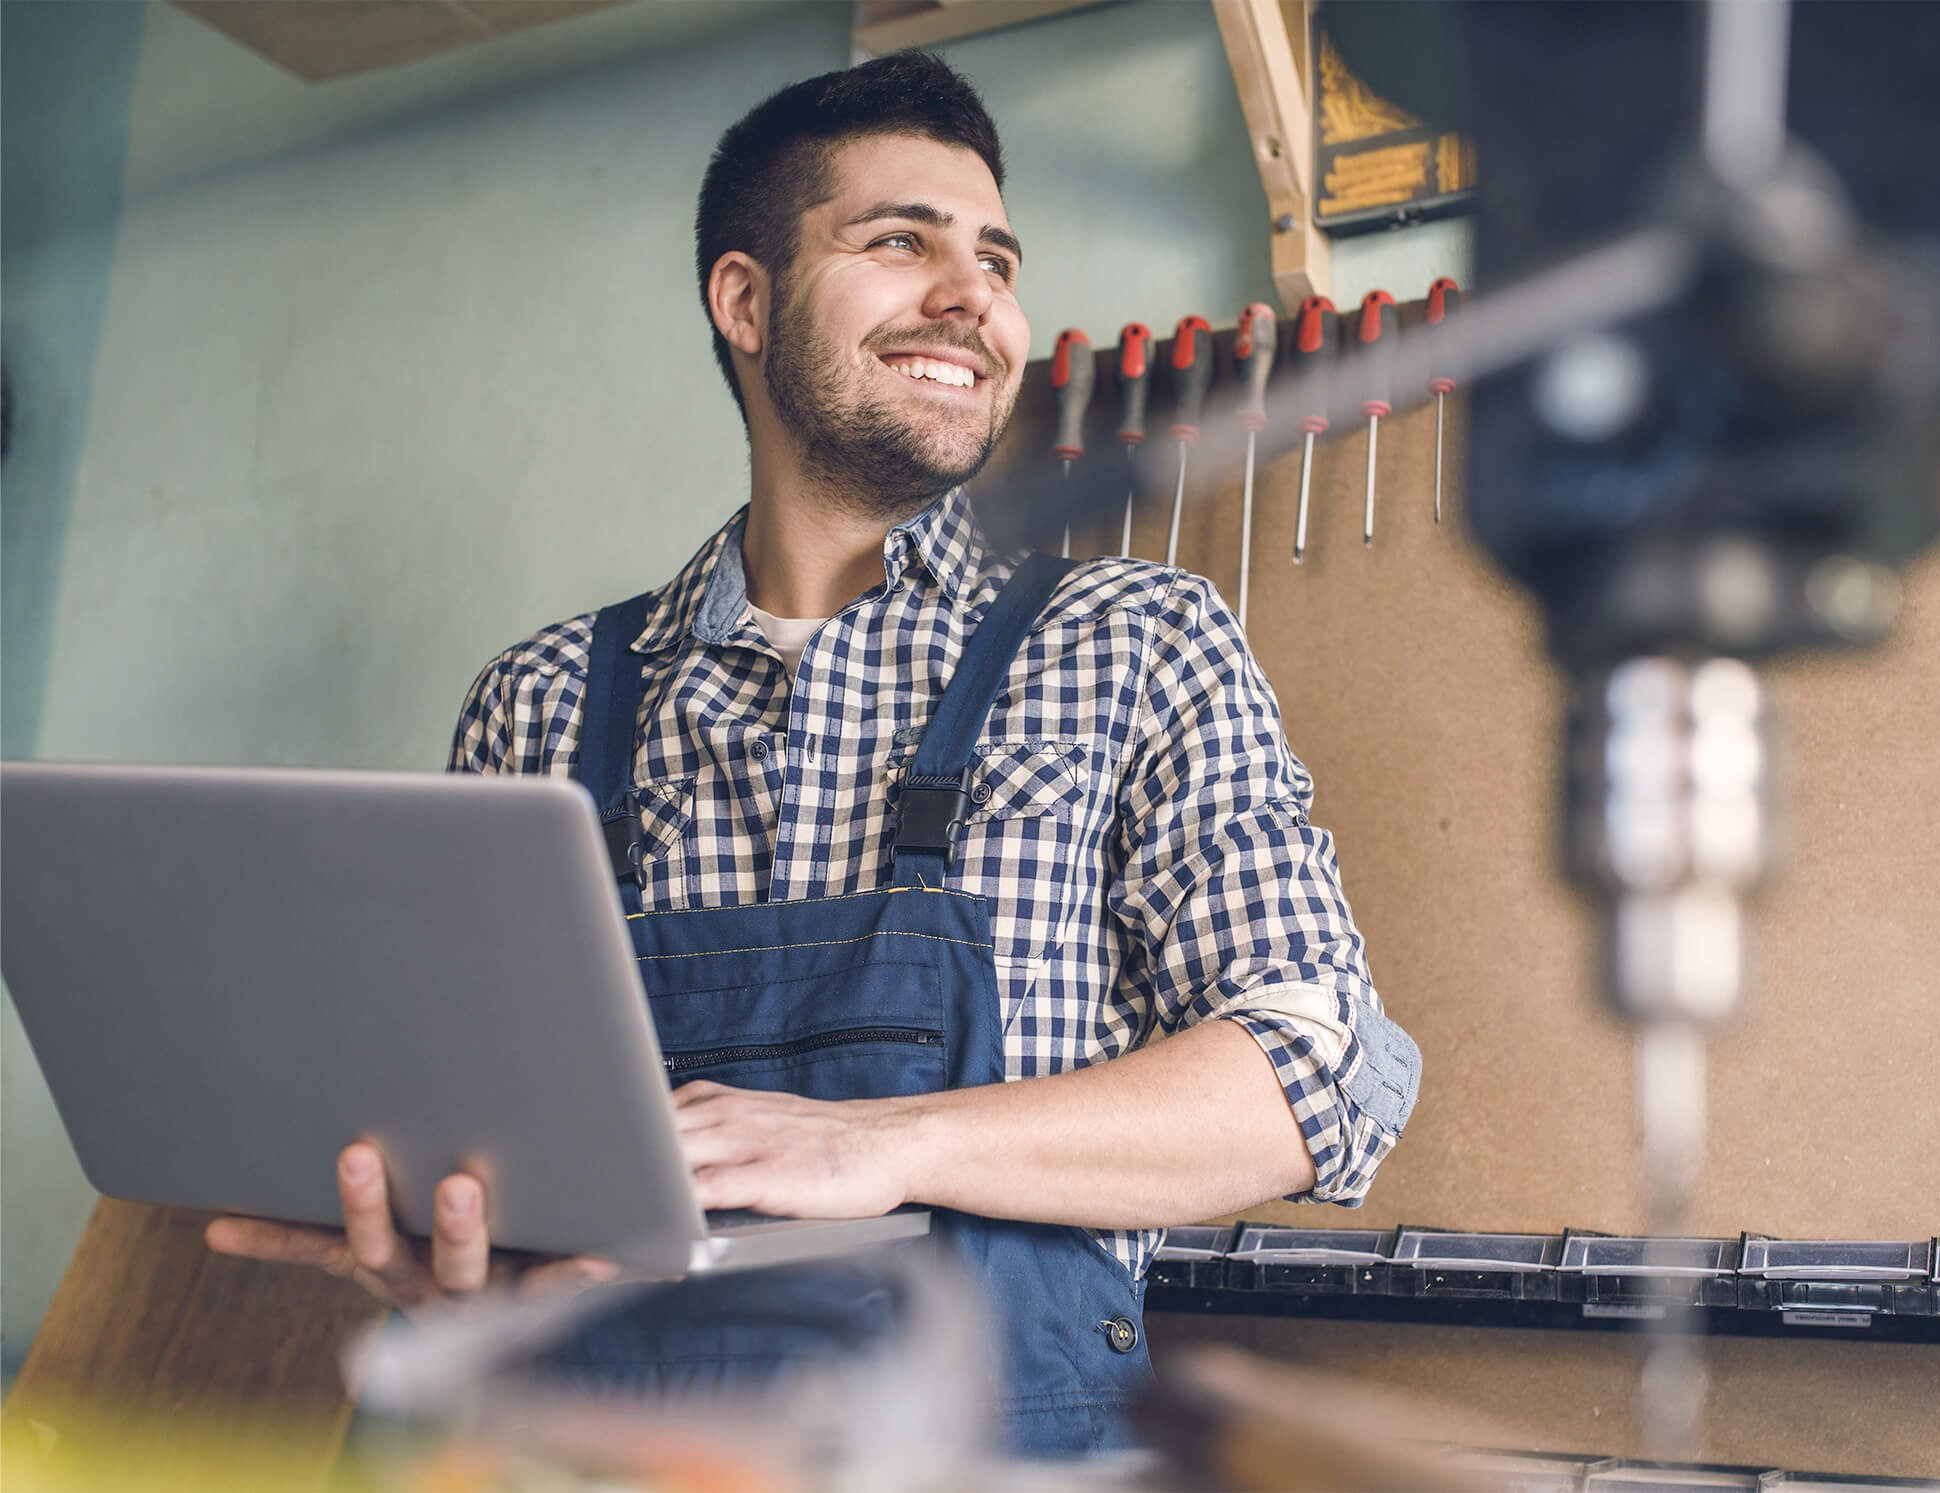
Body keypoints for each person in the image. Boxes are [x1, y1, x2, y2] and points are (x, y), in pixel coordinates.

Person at [208, 49, 1419, 1455]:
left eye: (997, 258)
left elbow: (1314, 1068)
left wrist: (879, 1142)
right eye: (900, 240)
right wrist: (447, 1240)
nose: (976, 297)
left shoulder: (1135, 643)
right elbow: (470, 1130)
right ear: (745, 300)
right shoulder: (538, 704)